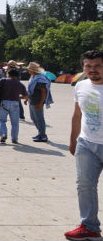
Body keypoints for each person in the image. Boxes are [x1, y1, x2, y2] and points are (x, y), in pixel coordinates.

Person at [65, 50, 103, 241]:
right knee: (85, 186)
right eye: (88, 66)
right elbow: (77, 114)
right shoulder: (80, 86)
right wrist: (73, 141)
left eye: (97, 66)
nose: (92, 70)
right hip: (86, 144)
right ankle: (90, 227)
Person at [0, 69, 28, 144]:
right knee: (15, 123)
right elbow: (25, 96)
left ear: (8, 74)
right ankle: (14, 139)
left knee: (1, 120)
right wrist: (18, 97)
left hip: (4, 102)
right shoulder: (20, 84)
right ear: (17, 76)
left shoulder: (3, 80)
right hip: (15, 104)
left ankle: (3, 133)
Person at [26, 62, 51, 142]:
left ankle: (43, 136)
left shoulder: (40, 79)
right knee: (33, 118)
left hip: (37, 101)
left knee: (39, 118)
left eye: (29, 69)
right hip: (32, 100)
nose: (28, 71)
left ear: (32, 70)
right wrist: (27, 98)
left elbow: (44, 92)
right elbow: (30, 90)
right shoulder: (33, 77)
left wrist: (40, 103)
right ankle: (41, 133)